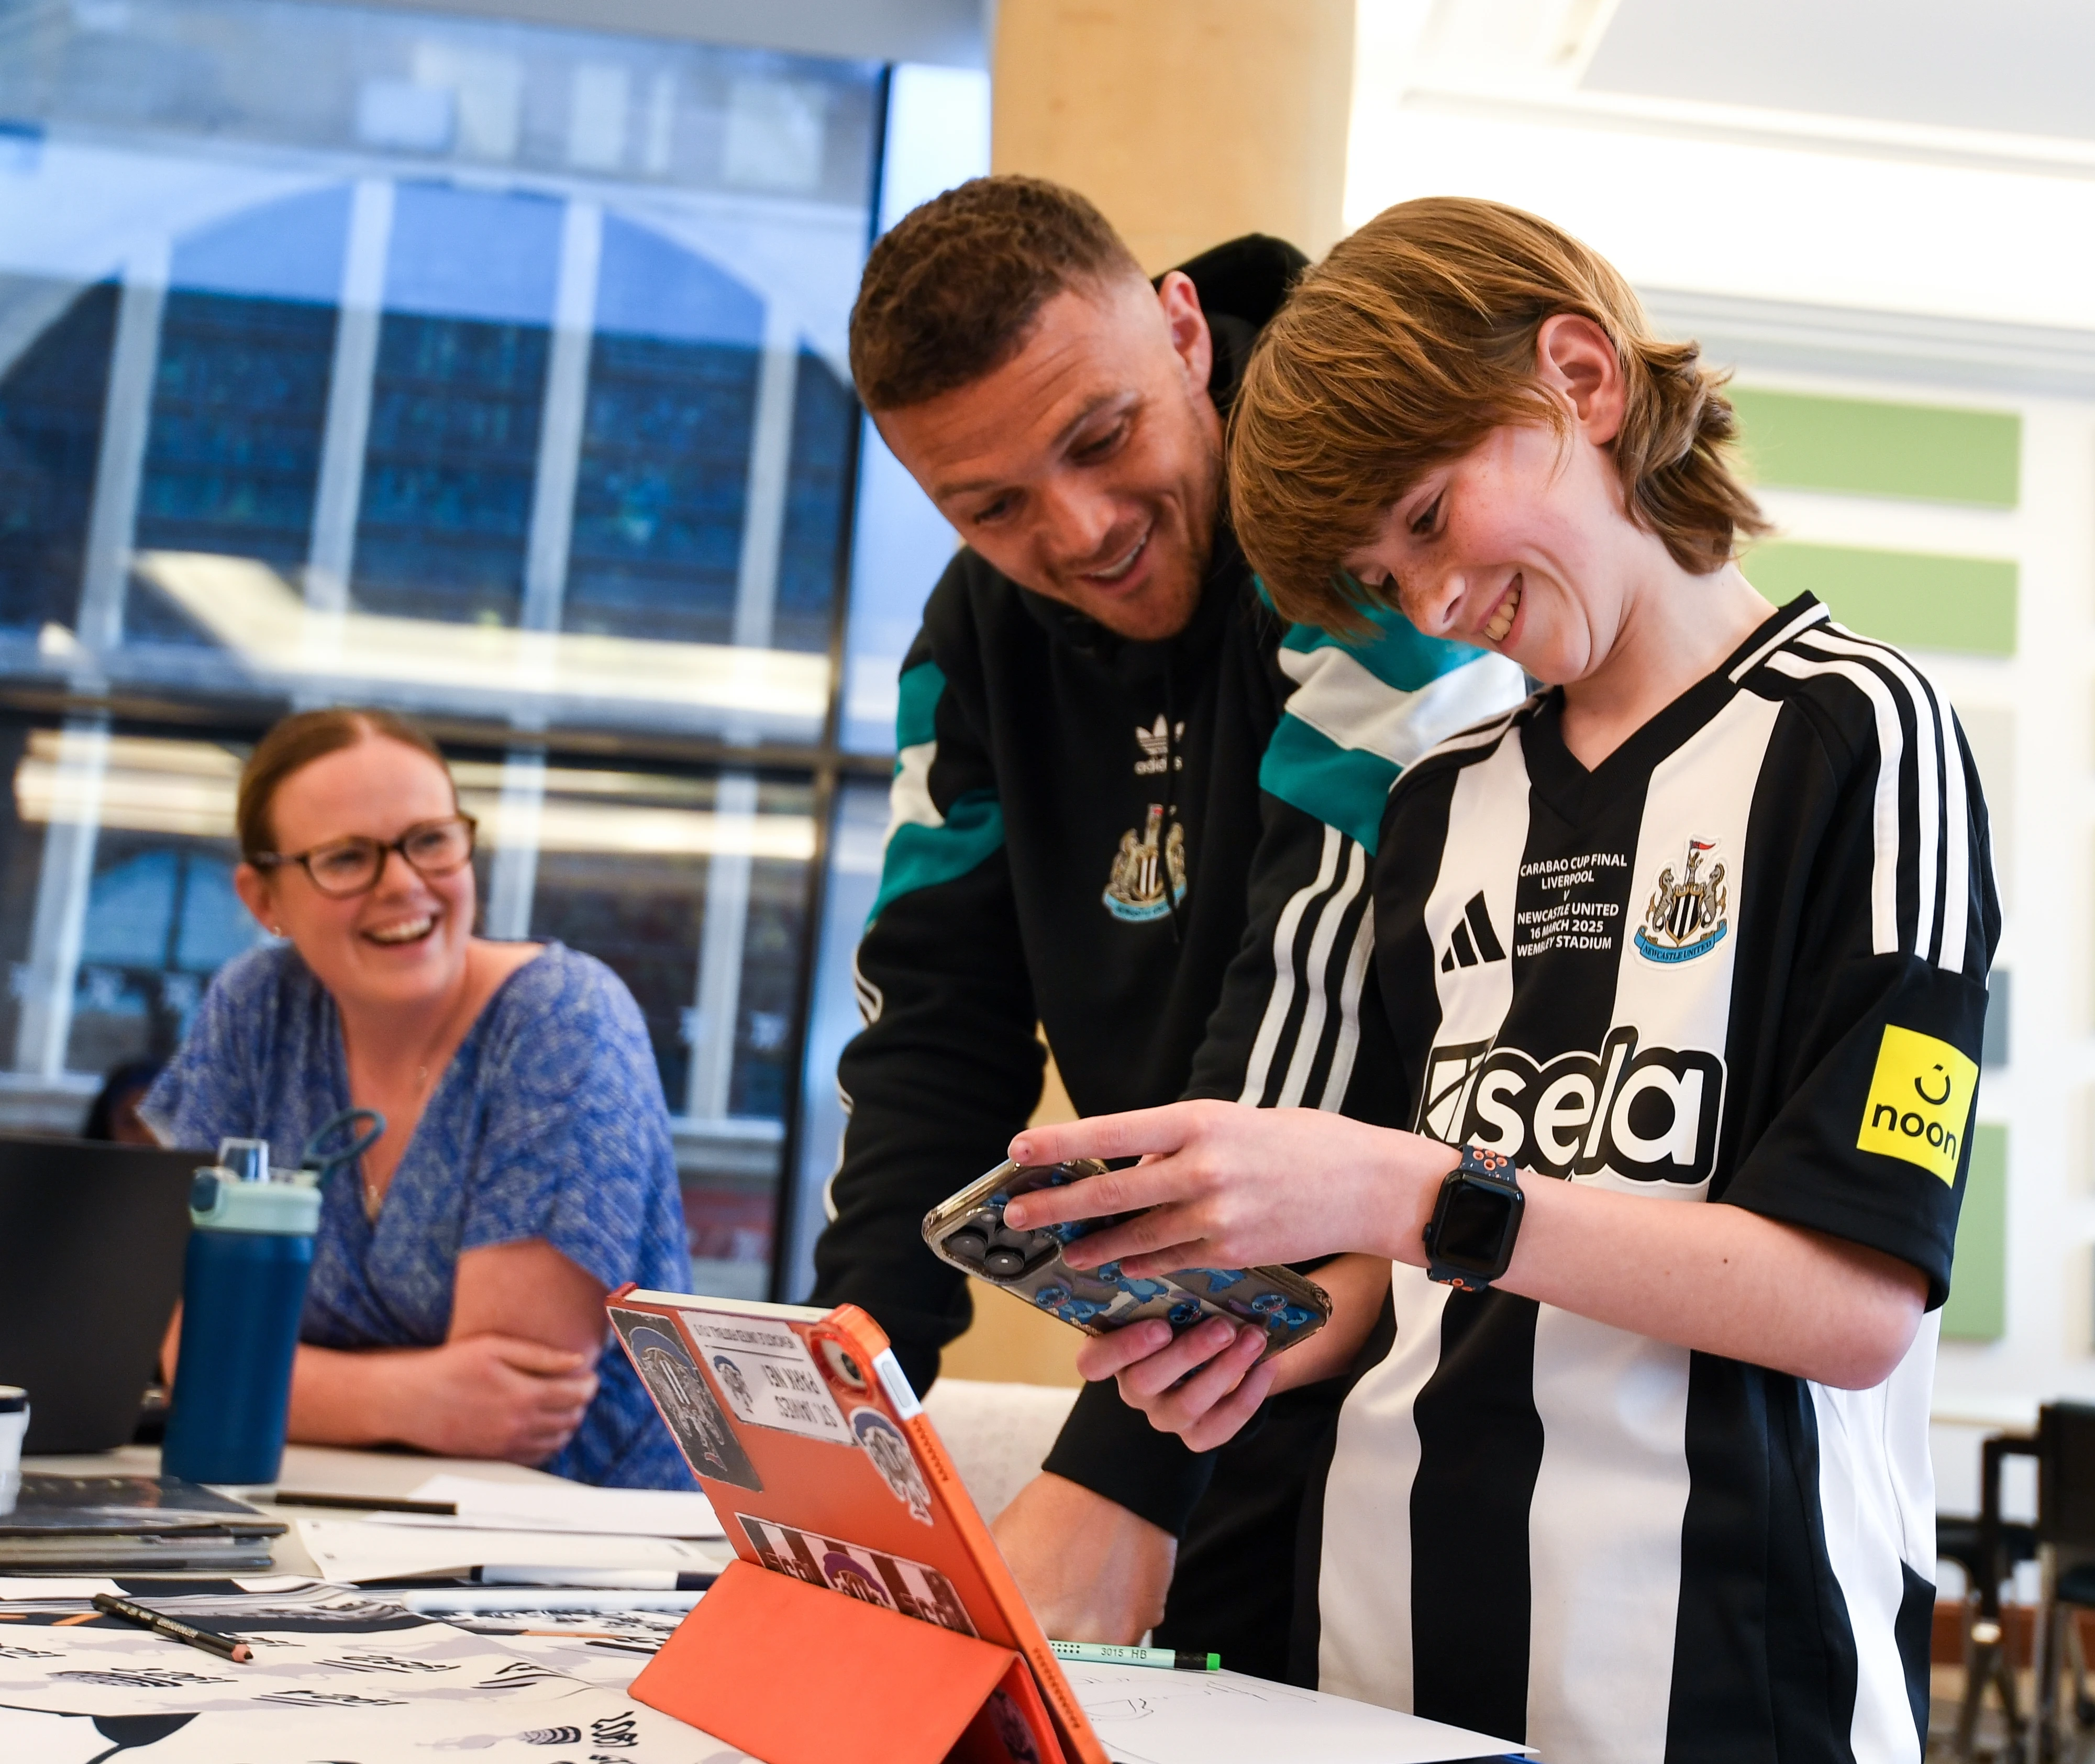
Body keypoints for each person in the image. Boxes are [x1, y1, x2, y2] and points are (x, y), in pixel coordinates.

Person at [1001, 197, 2000, 1760]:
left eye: (1425, 516)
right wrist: (1265, 1326)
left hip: (1730, 1681)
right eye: (1376, 582)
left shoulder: (1860, 737)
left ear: (1580, 383)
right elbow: (1427, 1281)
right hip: (1379, 1666)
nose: (1432, 603)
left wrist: (1411, 1192)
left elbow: (1850, 1303)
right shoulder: (1437, 803)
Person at [810, 176, 1524, 1668]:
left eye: (1100, 439)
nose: (1074, 530)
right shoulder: (972, 632)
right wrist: (845, 1408)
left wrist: (1123, 1468)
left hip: (1430, 1327)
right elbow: (932, 1018)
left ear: (1184, 332)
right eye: (989, 505)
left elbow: (1314, 974)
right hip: (1205, 1329)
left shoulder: (1356, 523)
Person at [142, 707, 693, 1489]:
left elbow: (508, 1417)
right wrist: (409, 1397)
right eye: (346, 858)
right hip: (320, 1510)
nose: (403, 883)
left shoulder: (562, 1017)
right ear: (264, 897)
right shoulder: (256, 1008)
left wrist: (275, 1378)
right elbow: (185, 1350)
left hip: (582, 1549)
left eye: (429, 841)